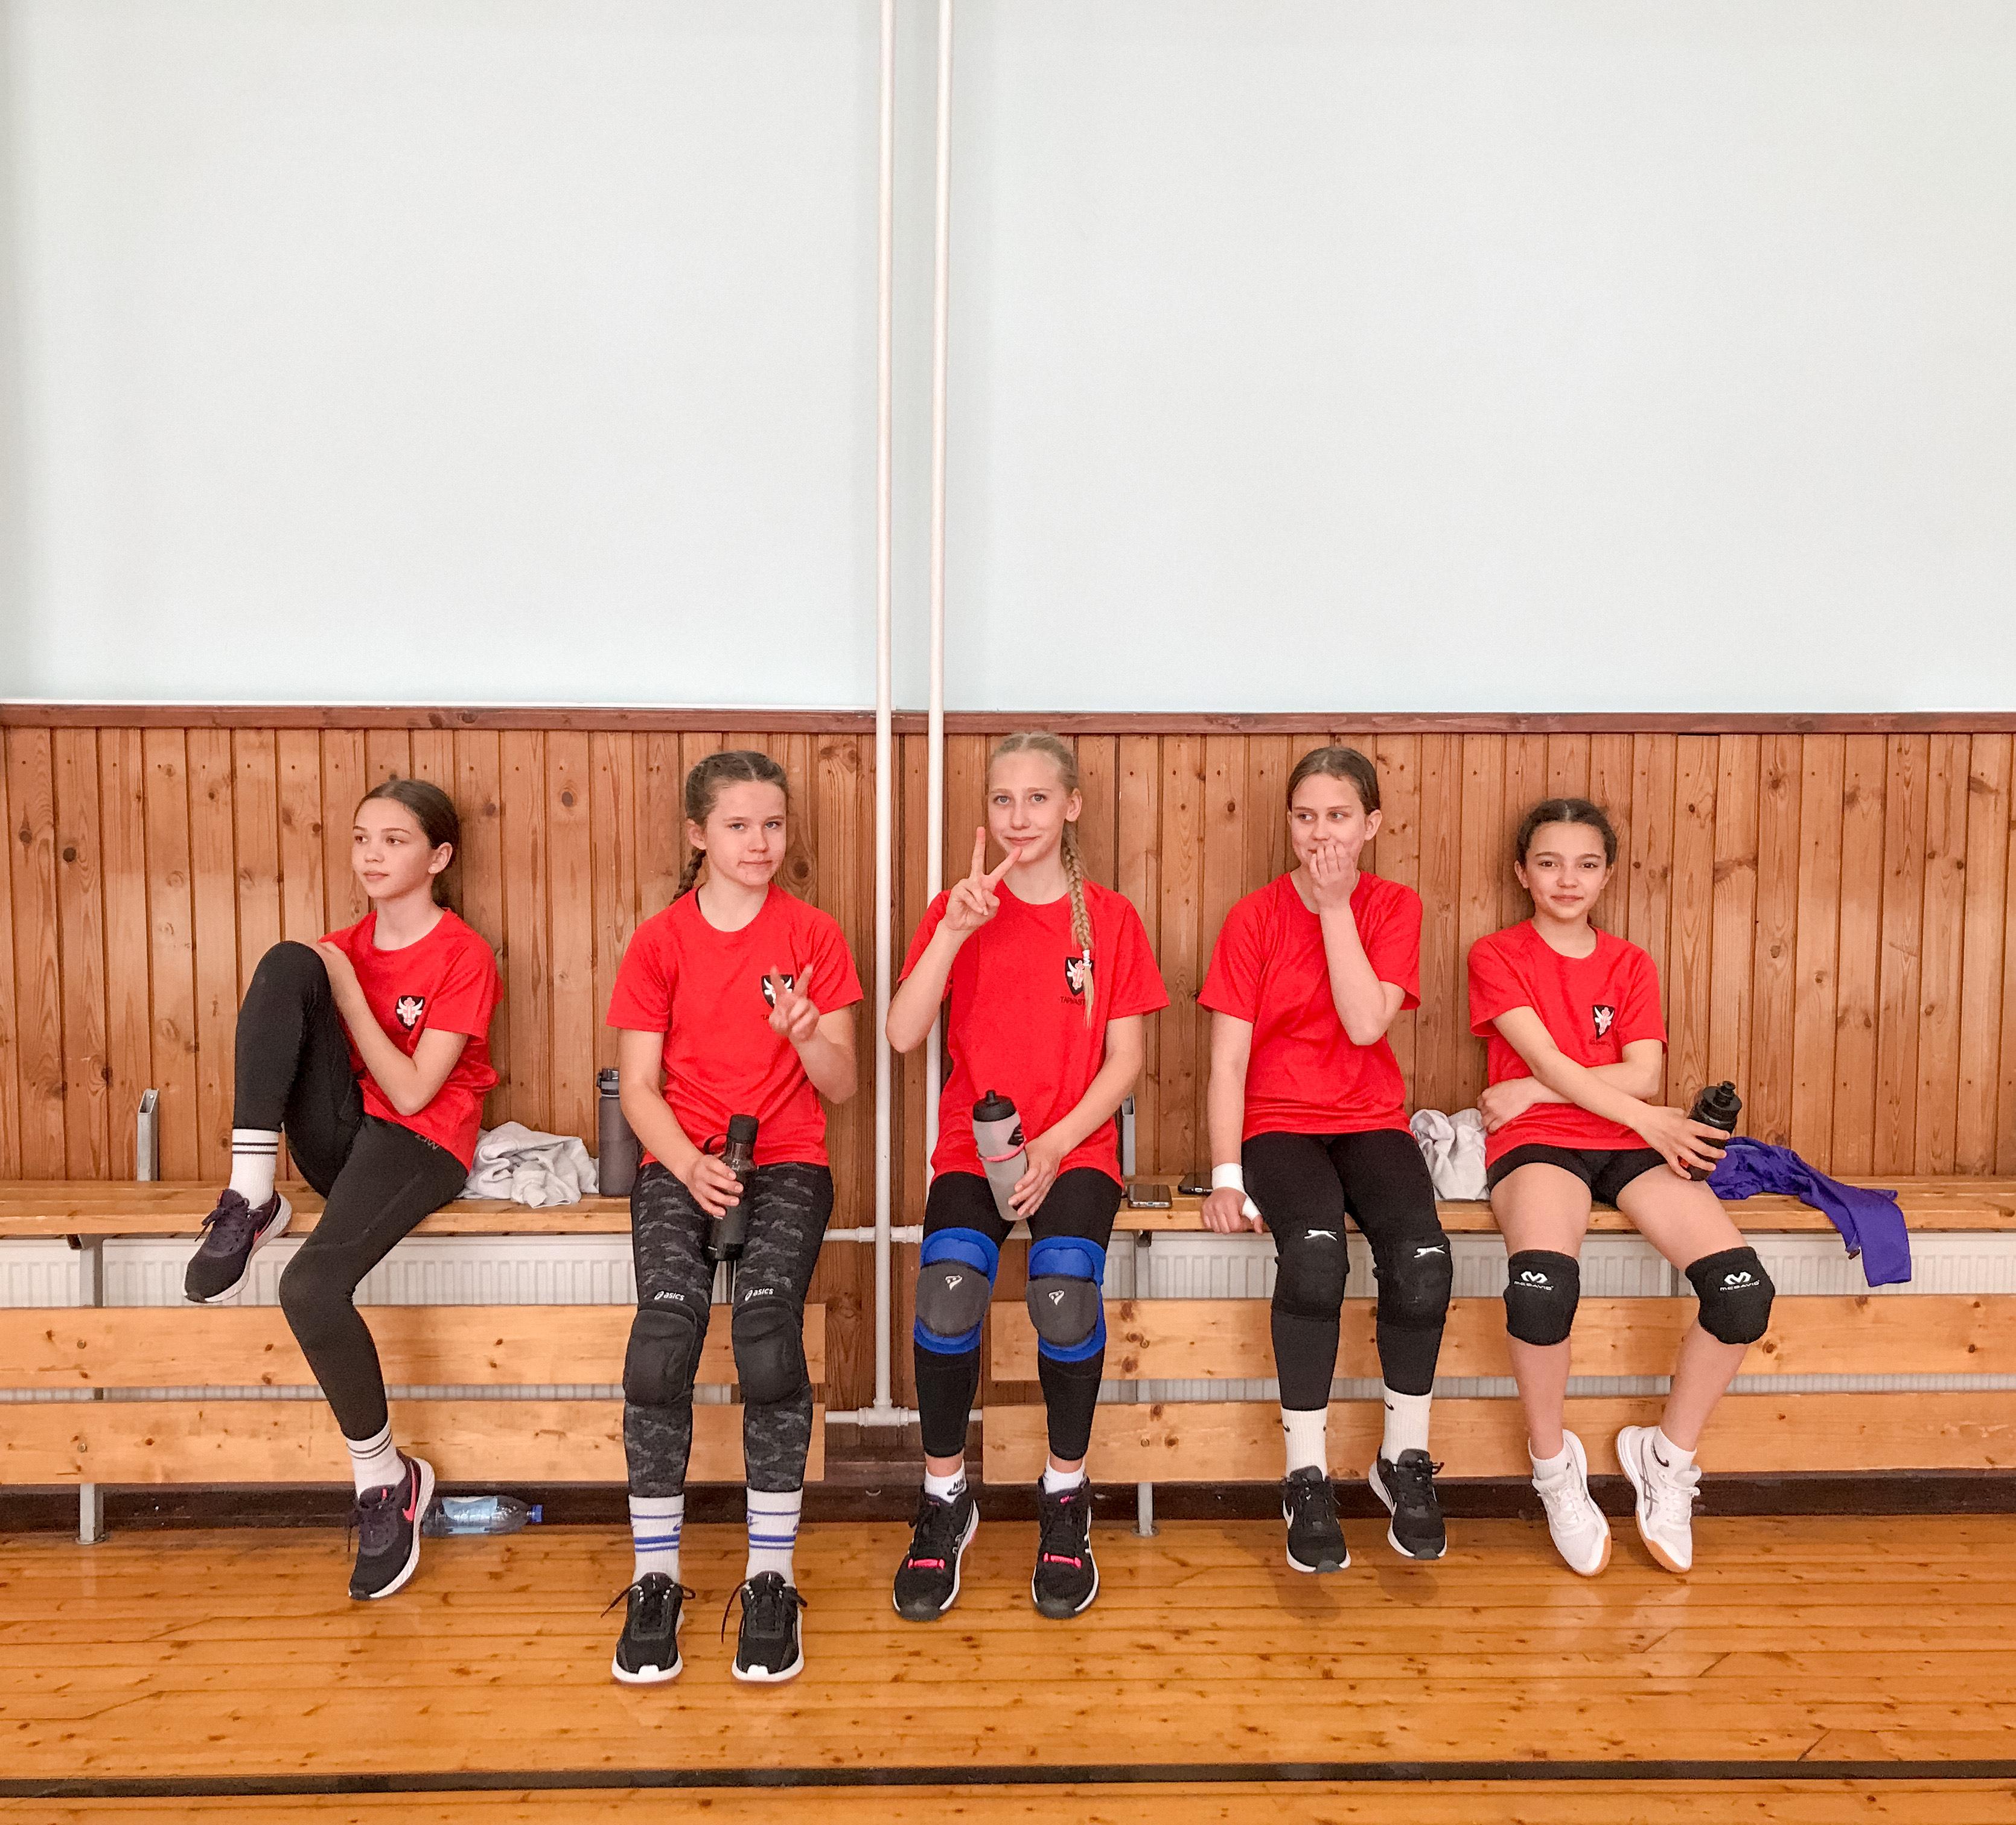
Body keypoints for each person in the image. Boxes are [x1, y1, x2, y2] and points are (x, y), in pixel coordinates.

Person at [182, 779, 500, 1602]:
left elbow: (415, 1093)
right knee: (289, 962)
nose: (371, 855)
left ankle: (387, 1480)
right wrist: (334, 975)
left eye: (395, 840)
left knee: (310, 1287)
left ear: (439, 857)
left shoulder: (462, 954)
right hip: (345, 1141)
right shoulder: (336, 948)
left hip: (422, 1145)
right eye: (362, 838)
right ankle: (251, 1193)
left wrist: (351, 987)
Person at [888, 731, 1168, 1622]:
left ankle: (1064, 1496)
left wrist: (1054, 1145)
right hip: (975, 1149)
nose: (1019, 817)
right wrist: (953, 932)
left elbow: (1125, 1062)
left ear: (1071, 807)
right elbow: (902, 1033)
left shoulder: (1111, 920)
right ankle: (945, 1500)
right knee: (947, 1297)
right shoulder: (960, 908)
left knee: (1063, 1294)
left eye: (1038, 799)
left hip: (1074, 1148)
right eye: (1003, 800)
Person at [604, 750, 860, 1685]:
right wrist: (688, 1164)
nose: (760, 842)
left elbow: (841, 1083)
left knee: (765, 1339)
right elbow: (638, 1086)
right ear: (699, 834)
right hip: (683, 1160)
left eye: (774, 824)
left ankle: (769, 1580)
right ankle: (656, 1581)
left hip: (787, 1159)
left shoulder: (815, 934)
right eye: (740, 825)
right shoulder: (660, 941)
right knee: (660, 1346)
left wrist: (808, 1036)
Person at [1468, 797, 1772, 1577]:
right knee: (1540, 1292)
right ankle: (1553, 1469)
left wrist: (1536, 1089)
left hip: (1629, 1142)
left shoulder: (1630, 963)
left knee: (1742, 1293)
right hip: (1540, 1146)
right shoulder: (1497, 954)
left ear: (1607, 874)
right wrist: (1630, 1114)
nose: (1568, 879)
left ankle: (1666, 1459)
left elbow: (1643, 1071)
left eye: (1587, 864)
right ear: (1522, 873)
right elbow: (1559, 1059)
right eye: (1549, 863)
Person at [1198, 746, 1452, 1571]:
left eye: (1338, 816)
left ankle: (1403, 1460)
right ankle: (1305, 1476)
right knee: (1314, 1260)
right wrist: (1227, 1177)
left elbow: (1366, 1023)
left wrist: (1337, 908)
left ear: (1371, 825)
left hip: (1370, 1120)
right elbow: (1228, 1062)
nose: (1321, 834)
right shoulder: (1254, 918)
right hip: (1279, 1127)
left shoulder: (1393, 906)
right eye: (1305, 817)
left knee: (1423, 1261)